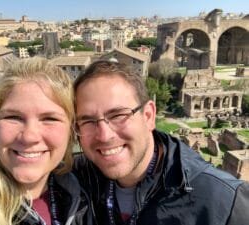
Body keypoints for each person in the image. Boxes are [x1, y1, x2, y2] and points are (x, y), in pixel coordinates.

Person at [73, 60, 249, 225]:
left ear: (149, 116)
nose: (104, 136)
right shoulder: (75, 182)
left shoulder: (226, 202)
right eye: (87, 121)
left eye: (118, 115)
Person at [0, 57, 92, 225]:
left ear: (72, 130)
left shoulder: (80, 189)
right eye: (13, 117)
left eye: (49, 119)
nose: (29, 137)